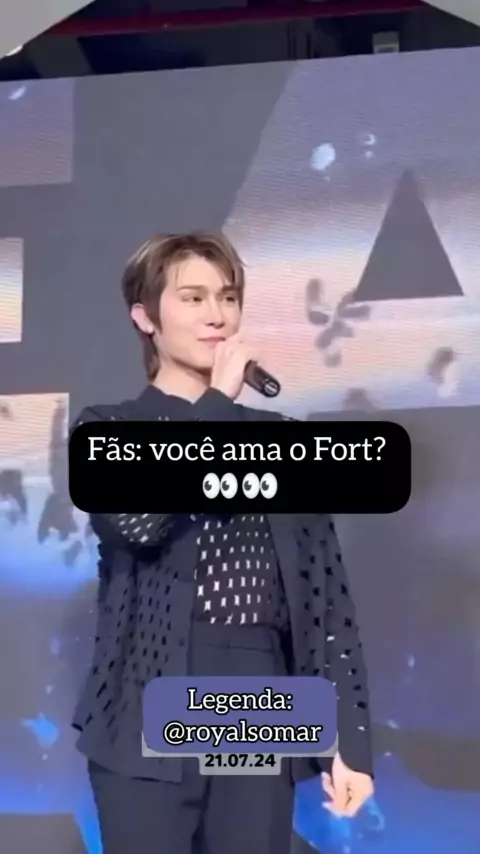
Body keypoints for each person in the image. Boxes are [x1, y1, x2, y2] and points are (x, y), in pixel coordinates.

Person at [70, 232, 374, 854]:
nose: (217, 314)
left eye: (228, 297)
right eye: (193, 298)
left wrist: (347, 739)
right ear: (145, 318)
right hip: (145, 695)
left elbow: (326, 601)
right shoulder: (110, 427)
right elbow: (138, 522)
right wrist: (215, 405)